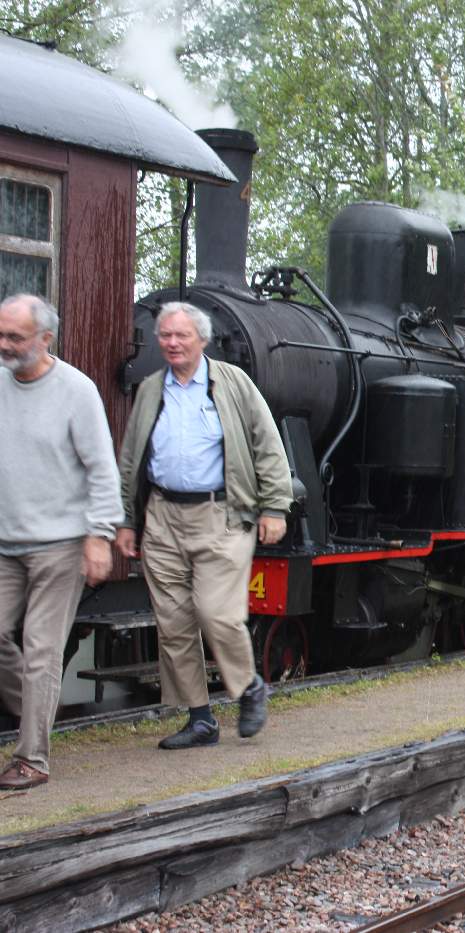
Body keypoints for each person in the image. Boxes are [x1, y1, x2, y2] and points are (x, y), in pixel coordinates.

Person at [115, 302, 292, 749]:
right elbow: (131, 458)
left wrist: (275, 507)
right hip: (162, 517)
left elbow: (267, 444)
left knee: (217, 613)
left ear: (203, 340)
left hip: (221, 514)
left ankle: (248, 687)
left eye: (182, 335)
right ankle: (199, 719)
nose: (172, 343)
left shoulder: (234, 383)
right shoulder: (150, 389)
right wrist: (126, 520)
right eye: (165, 336)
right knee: (172, 621)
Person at [0, 294, 122, 790]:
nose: (4, 344)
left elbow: (102, 469)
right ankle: (39, 707)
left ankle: (32, 759)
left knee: (41, 648)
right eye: (1, 334)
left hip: (60, 544)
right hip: (5, 542)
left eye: (15, 337)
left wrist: (99, 536)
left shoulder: (77, 390)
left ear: (45, 339)